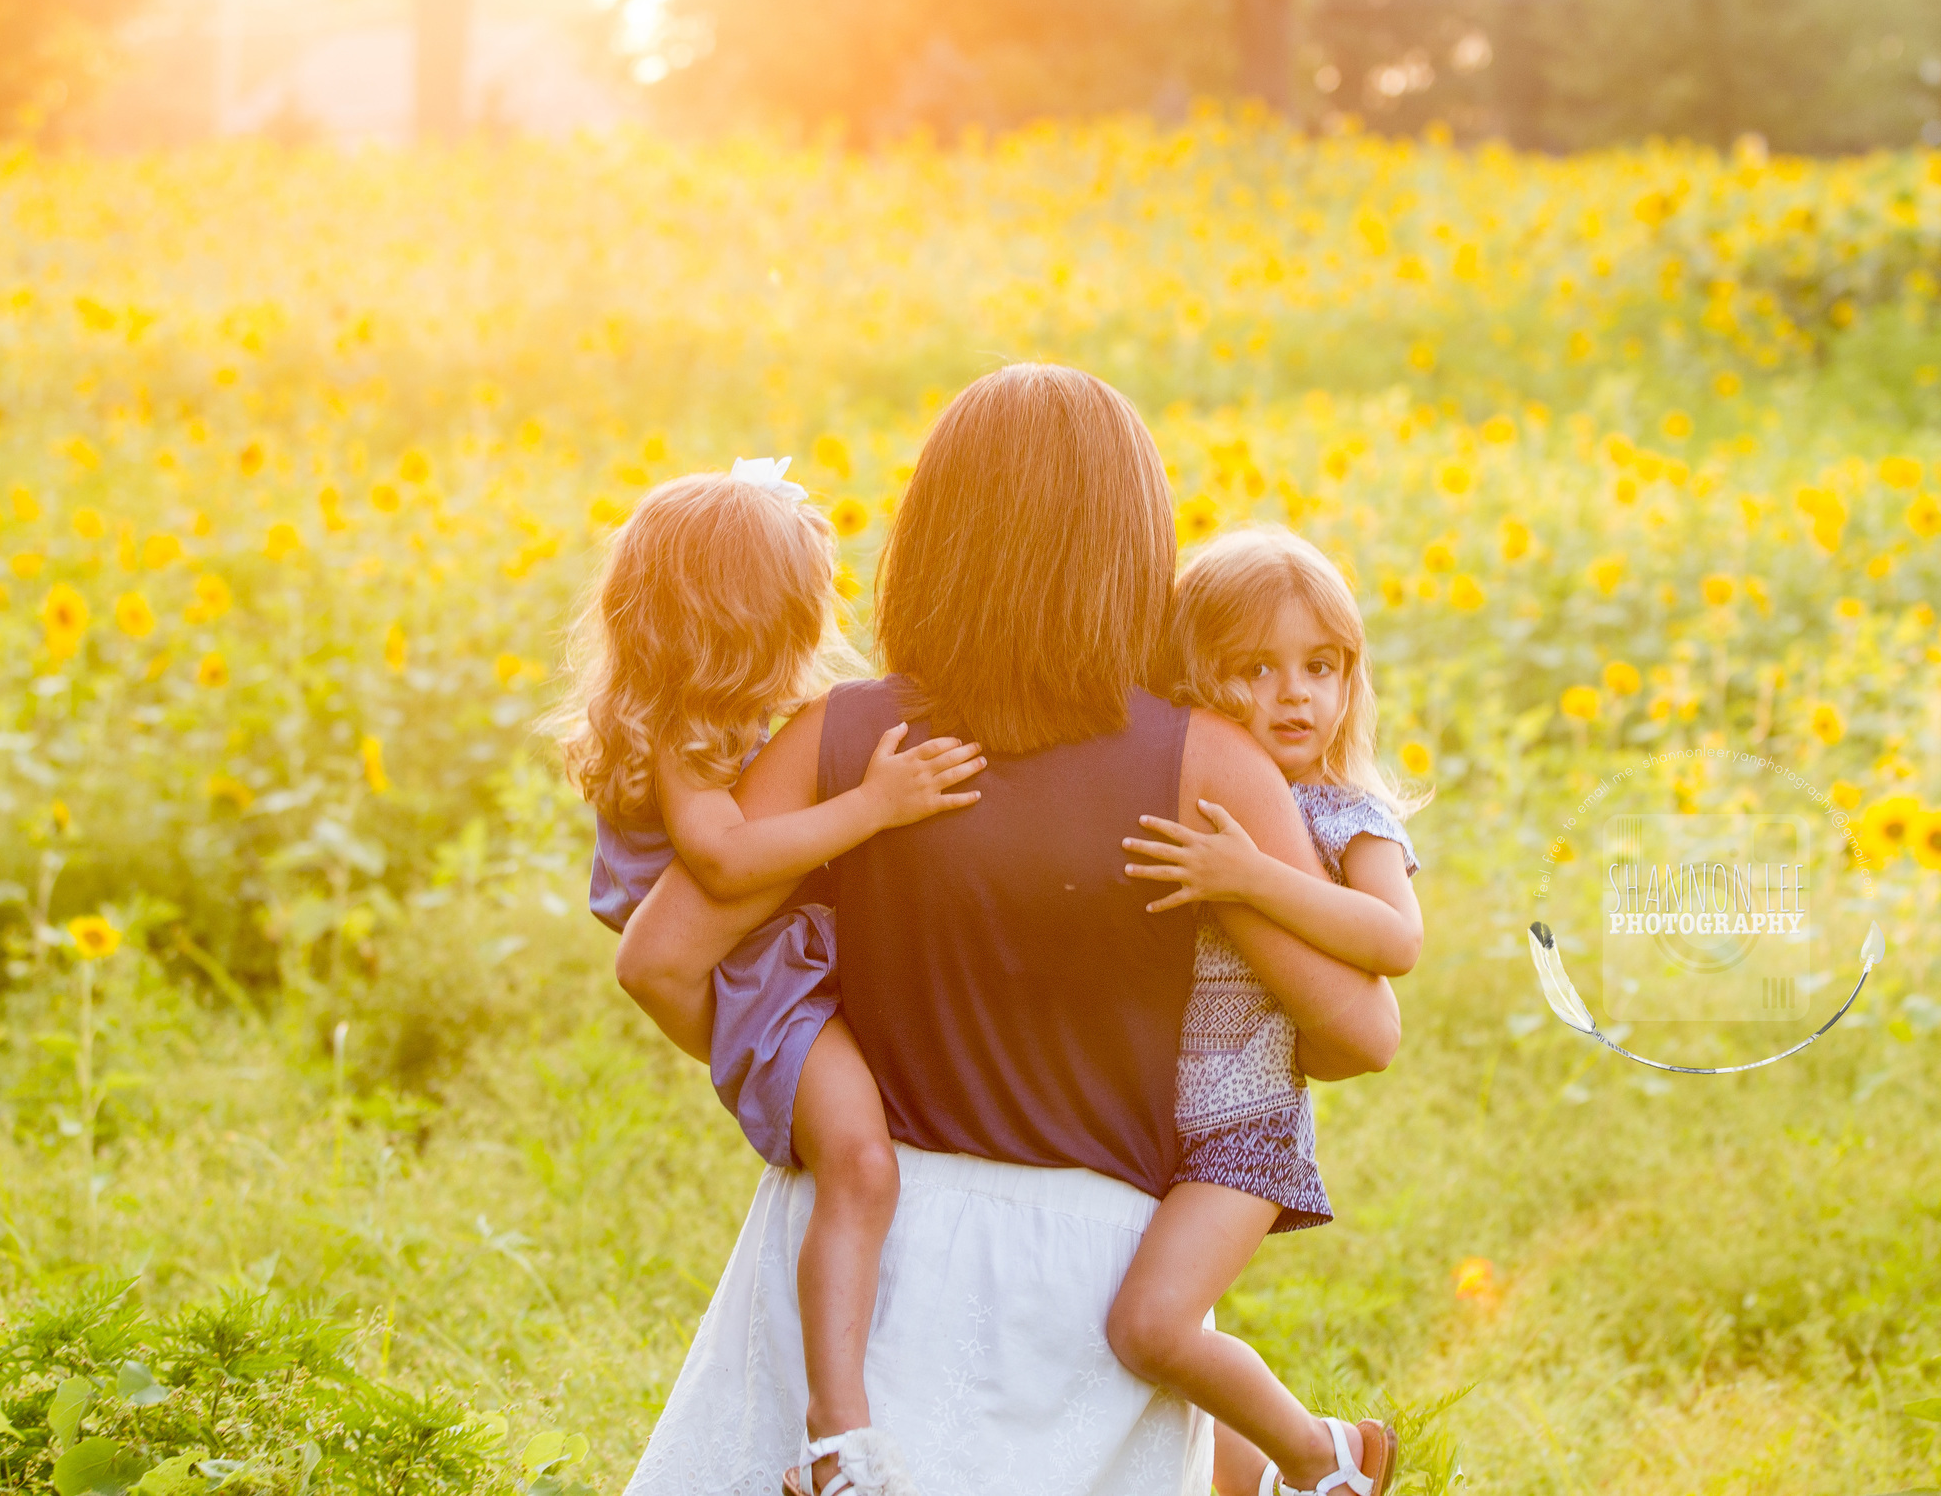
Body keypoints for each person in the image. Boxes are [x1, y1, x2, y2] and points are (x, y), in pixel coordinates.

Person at [613, 364, 1404, 1496]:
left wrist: (806, 1089)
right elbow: (1356, 1036)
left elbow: (660, 959)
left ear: (932, 537)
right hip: (1083, 1274)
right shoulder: (1200, 761)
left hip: (854, 1255)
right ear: (1135, 552)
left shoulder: (848, 739)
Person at [552, 459, 986, 1496]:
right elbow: (726, 862)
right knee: (861, 1164)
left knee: (879, 1161)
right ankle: (835, 1437)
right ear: (745, 620)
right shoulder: (687, 732)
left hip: (786, 972)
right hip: (766, 990)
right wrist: (875, 806)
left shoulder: (741, 711)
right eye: (803, 601)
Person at [1109, 526, 1430, 1496]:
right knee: (1147, 1336)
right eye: (1256, 667)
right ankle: (1240, 1478)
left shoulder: (1346, 813)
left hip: (1243, 1129)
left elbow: (1393, 938)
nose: (1295, 693)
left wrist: (1251, 878)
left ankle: (1322, 1454)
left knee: (1151, 1325)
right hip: (1148, 1121)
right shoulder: (1179, 788)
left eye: (1320, 666)